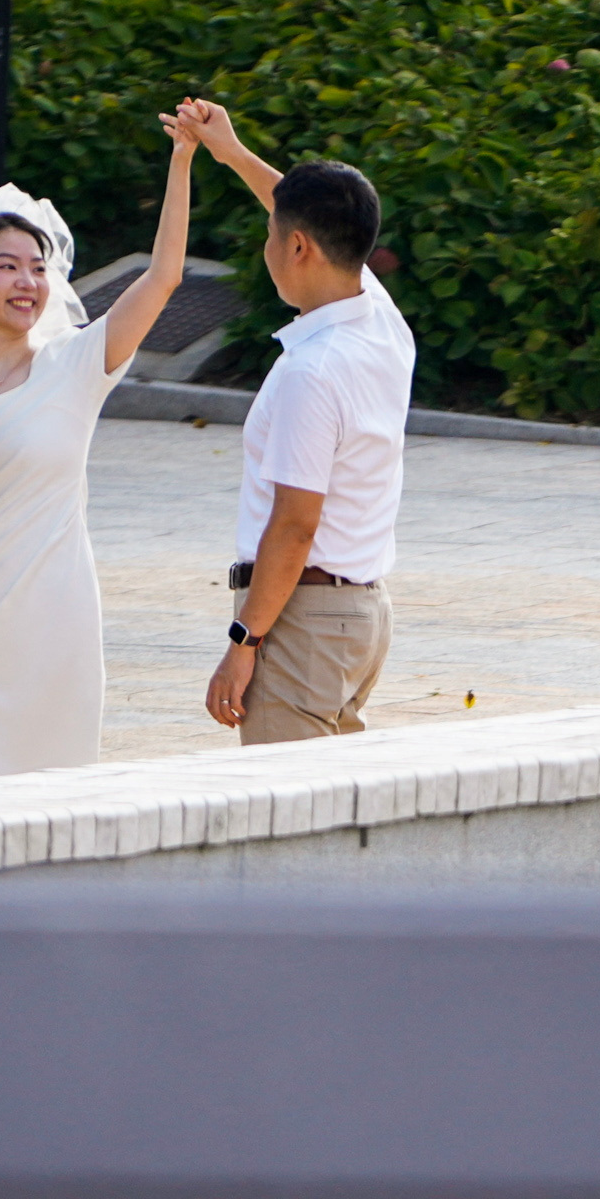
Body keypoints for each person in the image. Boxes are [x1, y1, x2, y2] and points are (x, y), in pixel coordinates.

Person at [0, 105, 220, 781]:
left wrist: (181, 161)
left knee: (51, 807)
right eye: (6, 267)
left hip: (55, 628)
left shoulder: (77, 363)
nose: (28, 282)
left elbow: (162, 279)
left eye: (37, 267)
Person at [181, 104, 411, 747]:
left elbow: (294, 523)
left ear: (298, 247)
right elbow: (306, 212)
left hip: (304, 621)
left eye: (272, 234)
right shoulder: (381, 321)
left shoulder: (314, 370)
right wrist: (230, 153)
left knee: (284, 823)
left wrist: (244, 641)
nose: (268, 245)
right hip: (358, 614)